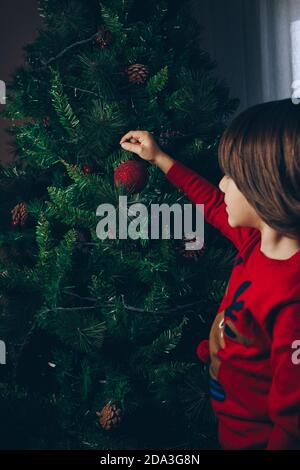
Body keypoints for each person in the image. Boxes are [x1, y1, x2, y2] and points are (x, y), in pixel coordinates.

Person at [119, 98, 300, 450]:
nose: (222, 186)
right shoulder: (256, 243)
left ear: (267, 189)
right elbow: (213, 204)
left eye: (233, 177)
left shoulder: (292, 296)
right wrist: (158, 158)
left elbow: (292, 427)